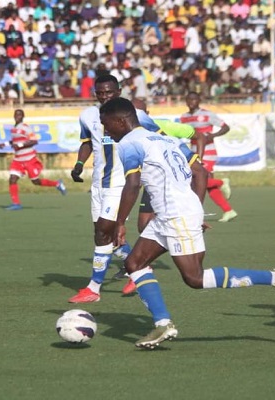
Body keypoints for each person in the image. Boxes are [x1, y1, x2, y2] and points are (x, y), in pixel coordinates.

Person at [102, 98, 275, 349]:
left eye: (106, 124)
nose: (105, 130)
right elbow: (201, 172)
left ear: (121, 120)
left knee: (194, 278)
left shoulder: (129, 143)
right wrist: (195, 209)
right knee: (134, 262)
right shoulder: (166, 139)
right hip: (172, 213)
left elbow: (132, 185)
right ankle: (163, 324)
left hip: (176, 215)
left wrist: (119, 223)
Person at [68, 74, 163, 302]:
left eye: (109, 92)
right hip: (99, 183)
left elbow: (159, 139)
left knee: (103, 231)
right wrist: (79, 164)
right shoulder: (88, 116)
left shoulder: (135, 115)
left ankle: (93, 288)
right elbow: (87, 143)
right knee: (102, 234)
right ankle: (140, 268)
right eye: (100, 93)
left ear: (118, 91)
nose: (104, 97)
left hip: (121, 184)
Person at [131, 98, 205, 234]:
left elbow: (200, 136)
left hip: (173, 181)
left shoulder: (164, 126)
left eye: (139, 112)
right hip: (152, 181)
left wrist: (199, 160)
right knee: (143, 227)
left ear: (147, 113)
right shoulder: (130, 133)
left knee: (165, 223)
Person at [180, 92, 237, 222]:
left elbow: (225, 127)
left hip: (208, 152)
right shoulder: (184, 117)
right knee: (207, 185)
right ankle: (229, 211)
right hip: (193, 153)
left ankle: (223, 182)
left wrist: (213, 135)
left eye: (194, 99)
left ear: (199, 100)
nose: (191, 102)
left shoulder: (207, 114)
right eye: (189, 99)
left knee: (199, 181)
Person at [0, 109, 67, 210]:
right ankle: (16, 204)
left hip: (28, 158)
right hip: (18, 159)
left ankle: (57, 184)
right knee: (12, 179)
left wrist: (19, 145)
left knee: (35, 181)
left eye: (19, 115)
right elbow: (14, 141)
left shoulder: (26, 128)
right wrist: (5, 144)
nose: (17, 116)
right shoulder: (13, 129)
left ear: (23, 117)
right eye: (16, 114)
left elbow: (34, 141)